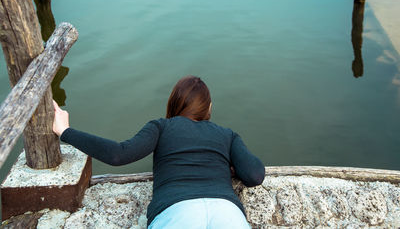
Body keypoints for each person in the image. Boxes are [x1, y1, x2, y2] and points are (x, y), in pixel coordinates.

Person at [53, 75, 265, 229]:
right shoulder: (227, 135)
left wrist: (65, 131)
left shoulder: (161, 127)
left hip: (177, 213)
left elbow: (118, 154)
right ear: (208, 108)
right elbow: (255, 175)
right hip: (226, 212)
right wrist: (229, 168)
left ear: (173, 104)